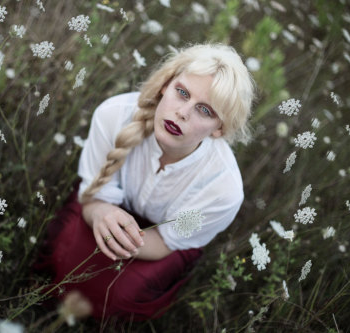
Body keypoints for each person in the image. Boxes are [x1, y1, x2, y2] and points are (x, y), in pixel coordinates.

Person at [40, 43, 255, 321]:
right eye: (182, 93)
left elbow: (167, 241)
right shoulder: (114, 114)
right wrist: (102, 212)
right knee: (65, 263)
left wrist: (120, 243)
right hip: (103, 206)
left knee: (118, 297)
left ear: (219, 129)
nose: (183, 113)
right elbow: (93, 197)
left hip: (161, 242)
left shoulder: (223, 189)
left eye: (204, 110)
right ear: (166, 85)